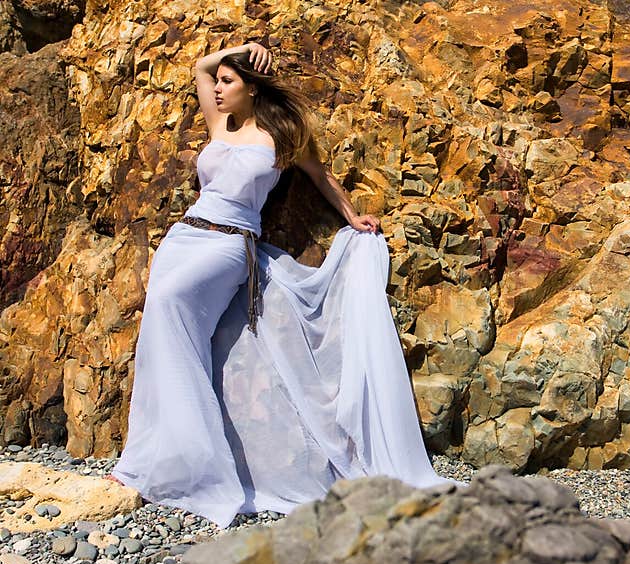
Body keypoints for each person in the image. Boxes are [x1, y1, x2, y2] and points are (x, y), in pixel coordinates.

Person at [105, 42, 462, 529]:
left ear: (252, 89)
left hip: (230, 247)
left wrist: (353, 216)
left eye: (229, 82)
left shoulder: (282, 137)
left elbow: (321, 175)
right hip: (184, 237)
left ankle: (191, 466)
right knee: (164, 339)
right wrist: (240, 49)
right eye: (219, 83)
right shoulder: (219, 123)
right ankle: (148, 461)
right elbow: (198, 67)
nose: (217, 88)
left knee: (170, 314)